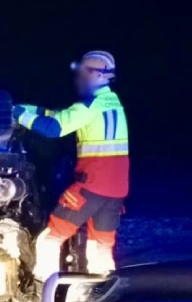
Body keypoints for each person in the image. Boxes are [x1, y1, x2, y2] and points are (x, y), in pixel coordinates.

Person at [14, 50, 129, 278]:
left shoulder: (90, 104)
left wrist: (18, 115)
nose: (79, 77)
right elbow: (62, 115)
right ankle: (102, 289)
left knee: (50, 239)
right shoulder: (111, 102)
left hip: (91, 185)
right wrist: (31, 109)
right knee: (100, 245)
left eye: (84, 72)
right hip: (116, 190)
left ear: (99, 75)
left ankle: (44, 290)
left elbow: (53, 128)